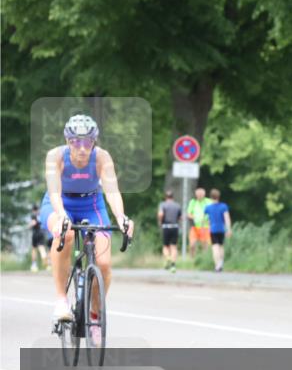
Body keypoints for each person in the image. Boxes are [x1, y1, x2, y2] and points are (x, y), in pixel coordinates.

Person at [40, 115, 135, 344]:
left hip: (92, 204)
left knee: (103, 264)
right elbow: (54, 191)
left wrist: (121, 217)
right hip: (60, 204)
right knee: (66, 233)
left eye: (87, 142)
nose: (82, 148)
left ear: (94, 141)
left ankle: (94, 314)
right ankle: (61, 300)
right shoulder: (55, 156)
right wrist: (62, 215)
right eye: (76, 142)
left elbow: (111, 190)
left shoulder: (102, 157)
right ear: (67, 140)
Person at [204, 188, 231, 272]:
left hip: (213, 229)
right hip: (222, 229)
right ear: (218, 197)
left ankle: (217, 265)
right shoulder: (223, 206)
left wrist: (207, 224)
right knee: (221, 246)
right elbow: (227, 218)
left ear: (211, 197)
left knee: (215, 247)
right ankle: (221, 262)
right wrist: (228, 229)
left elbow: (205, 219)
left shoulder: (208, 208)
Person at [158, 190, 182, 272]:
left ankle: (168, 258)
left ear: (165, 197)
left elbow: (161, 214)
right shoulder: (177, 205)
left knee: (165, 246)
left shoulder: (163, 204)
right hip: (175, 226)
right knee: (174, 246)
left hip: (166, 226)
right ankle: (173, 264)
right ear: (173, 197)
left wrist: (160, 222)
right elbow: (180, 217)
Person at [186, 186, 211, 256]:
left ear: (204, 194)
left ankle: (204, 259)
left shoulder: (208, 201)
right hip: (195, 227)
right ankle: (192, 258)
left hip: (206, 227)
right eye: (198, 194)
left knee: (205, 245)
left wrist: (210, 220)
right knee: (192, 244)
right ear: (196, 194)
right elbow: (188, 214)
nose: (200, 196)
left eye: (201, 194)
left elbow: (212, 212)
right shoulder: (193, 202)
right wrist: (194, 217)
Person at [29, 204, 49, 272]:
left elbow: (33, 223)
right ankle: (47, 265)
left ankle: (34, 265)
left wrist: (29, 226)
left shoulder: (33, 215)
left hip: (35, 234)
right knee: (42, 249)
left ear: (33, 210)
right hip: (41, 233)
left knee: (34, 249)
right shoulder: (41, 215)